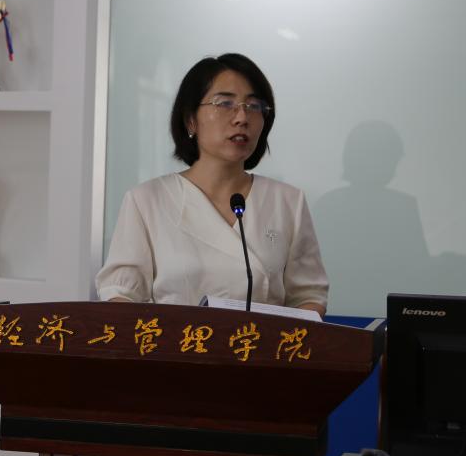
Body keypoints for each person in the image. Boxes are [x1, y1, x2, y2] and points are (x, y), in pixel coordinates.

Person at [97, 52, 328, 313]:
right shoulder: (146, 200)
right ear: (190, 120)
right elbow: (120, 295)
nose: (242, 118)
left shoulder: (287, 201)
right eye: (225, 103)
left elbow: (309, 295)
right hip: (177, 340)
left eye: (254, 106)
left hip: (261, 341)